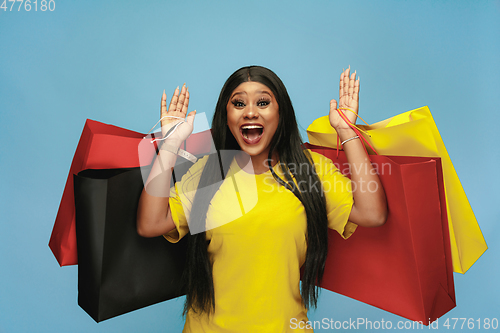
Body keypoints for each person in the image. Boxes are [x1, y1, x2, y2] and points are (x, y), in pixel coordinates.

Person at [136, 65, 387, 332]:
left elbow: (372, 214)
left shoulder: (310, 169)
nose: (251, 112)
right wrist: (170, 145)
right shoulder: (209, 173)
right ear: (227, 115)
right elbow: (150, 224)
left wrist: (347, 132)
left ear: (281, 113)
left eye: (263, 102)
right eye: (239, 103)